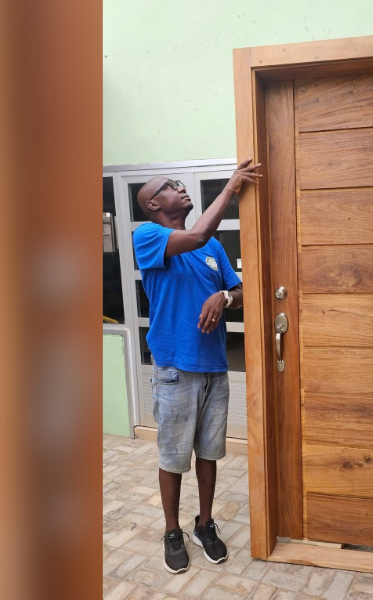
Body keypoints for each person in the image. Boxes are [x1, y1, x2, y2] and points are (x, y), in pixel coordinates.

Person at [131, 158, 263, 574]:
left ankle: (205, 524)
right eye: (169, 185)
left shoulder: (213, 248)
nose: (180, 187)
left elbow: (241, 290)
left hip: (213, 366)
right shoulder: (149, 236)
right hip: (174, 369)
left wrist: (224, 298)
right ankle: (173, 530)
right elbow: (199, 230)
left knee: (209, 453)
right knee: (173, 457)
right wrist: (231, 188)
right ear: (153, 204)